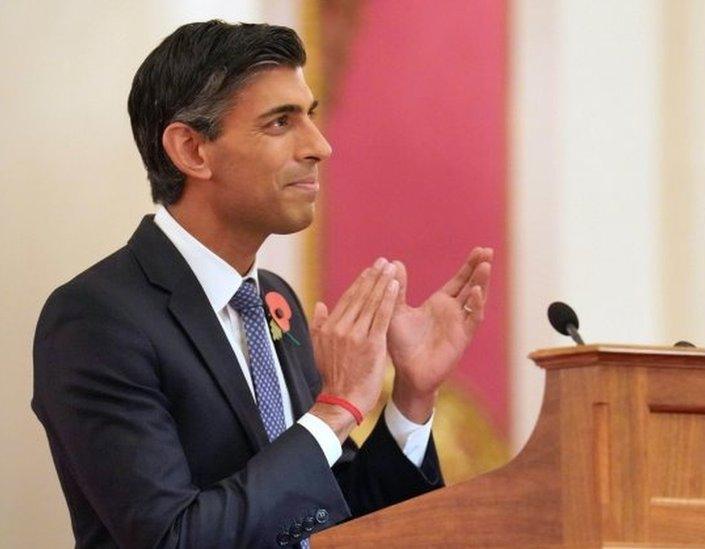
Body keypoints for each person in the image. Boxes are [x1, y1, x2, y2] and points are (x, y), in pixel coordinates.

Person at [32, 20, 492, 549]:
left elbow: (335, 514)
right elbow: (172, 539)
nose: (320, 146)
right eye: (280, 123)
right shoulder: (96, 317)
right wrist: (334, 408)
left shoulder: (274, 301)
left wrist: (412, 395)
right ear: (192, 151)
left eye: (311, 117)